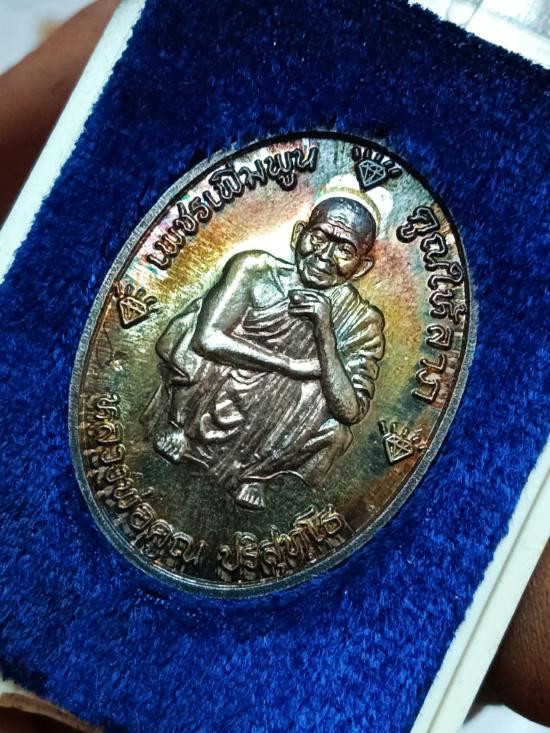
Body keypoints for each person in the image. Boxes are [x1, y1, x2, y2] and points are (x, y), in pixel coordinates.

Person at [141, 196, 385, 509]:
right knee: (195, 330)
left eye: (345, 251)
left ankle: (258, 472)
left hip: (286, 413)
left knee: (323, 397)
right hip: (219, 383)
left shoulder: (362, 320)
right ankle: (181, 429)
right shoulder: (254, 268)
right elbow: (207, 339)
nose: (324, 256)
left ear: (362, 267)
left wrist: (325, 333)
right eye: (319, 237)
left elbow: (350, 412)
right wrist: (288, 364)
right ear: (298, 235)